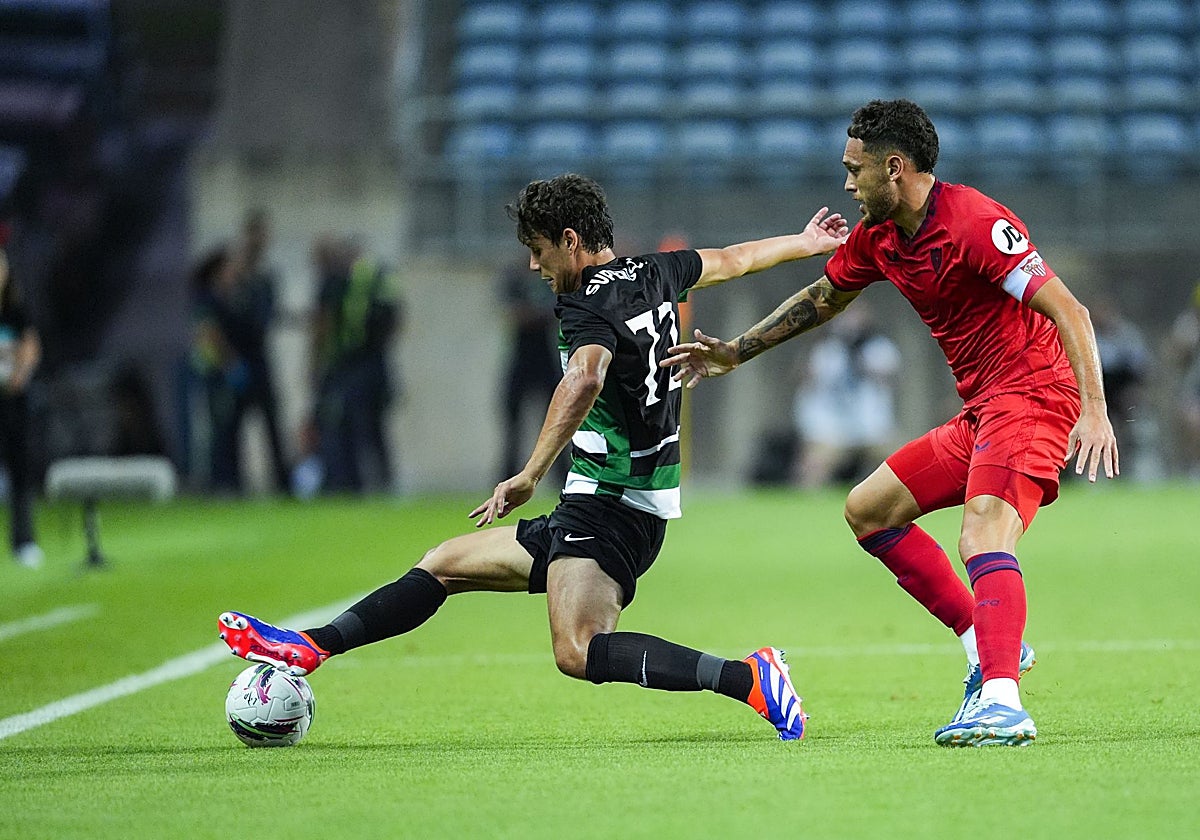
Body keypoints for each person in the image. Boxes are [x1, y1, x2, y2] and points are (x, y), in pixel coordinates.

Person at [218, 173, 848, 740]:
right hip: (616, 503)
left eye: (539, 249)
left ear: (570, 240)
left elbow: (585, 378)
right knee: (444, 564)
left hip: (609, 506)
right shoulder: (655, 270)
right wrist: (803, 242)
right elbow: (734, 259)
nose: (532, 264)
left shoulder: (584, 305)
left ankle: (750, 679)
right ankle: (308, 646)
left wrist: (528, 473)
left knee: (578, 650)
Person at [663, 100, 1118, 747]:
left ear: (894, 168)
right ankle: (988, 646)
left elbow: (1070, 310)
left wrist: (1095, 410)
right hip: (983, 409)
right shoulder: (879, 238)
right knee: (869, 508)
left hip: (1034, 396)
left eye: (855, 170)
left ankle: (1002, 701)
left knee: (984, 532)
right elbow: (822, 300)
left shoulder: (975, 224)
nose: (847, 184)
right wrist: (736, 350)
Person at [310, 235, 403, 494]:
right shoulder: (378, 277)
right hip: (371, 362)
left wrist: (315, 367)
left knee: (352, 423)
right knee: (370, 425)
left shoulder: (339, 282)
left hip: (349, 363)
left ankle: (354, 483)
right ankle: (380, 482)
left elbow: (323, 327)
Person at [791, 302, 901, 487]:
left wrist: (857, 354)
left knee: (901, 462)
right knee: (814, 466)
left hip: (872, 427)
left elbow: (888, 378)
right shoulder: (826, 351)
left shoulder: (879, 349)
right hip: (832, 428)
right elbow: (807, 382)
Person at [495, 254, 563, 484]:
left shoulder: (549, 278)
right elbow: (511, 312)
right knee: (513, 424)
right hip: (522, 358)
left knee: (558, 420)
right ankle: (508, 476)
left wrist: (532, 314)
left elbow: (554, 310)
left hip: (545, 356)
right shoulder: (515, 277)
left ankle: (561, 475)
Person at [0, 231, 43, 568]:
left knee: (21, 471)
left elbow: (31, 346)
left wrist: (20, 373)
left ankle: (24, 541)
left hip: (13, 401)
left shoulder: (16, 308)